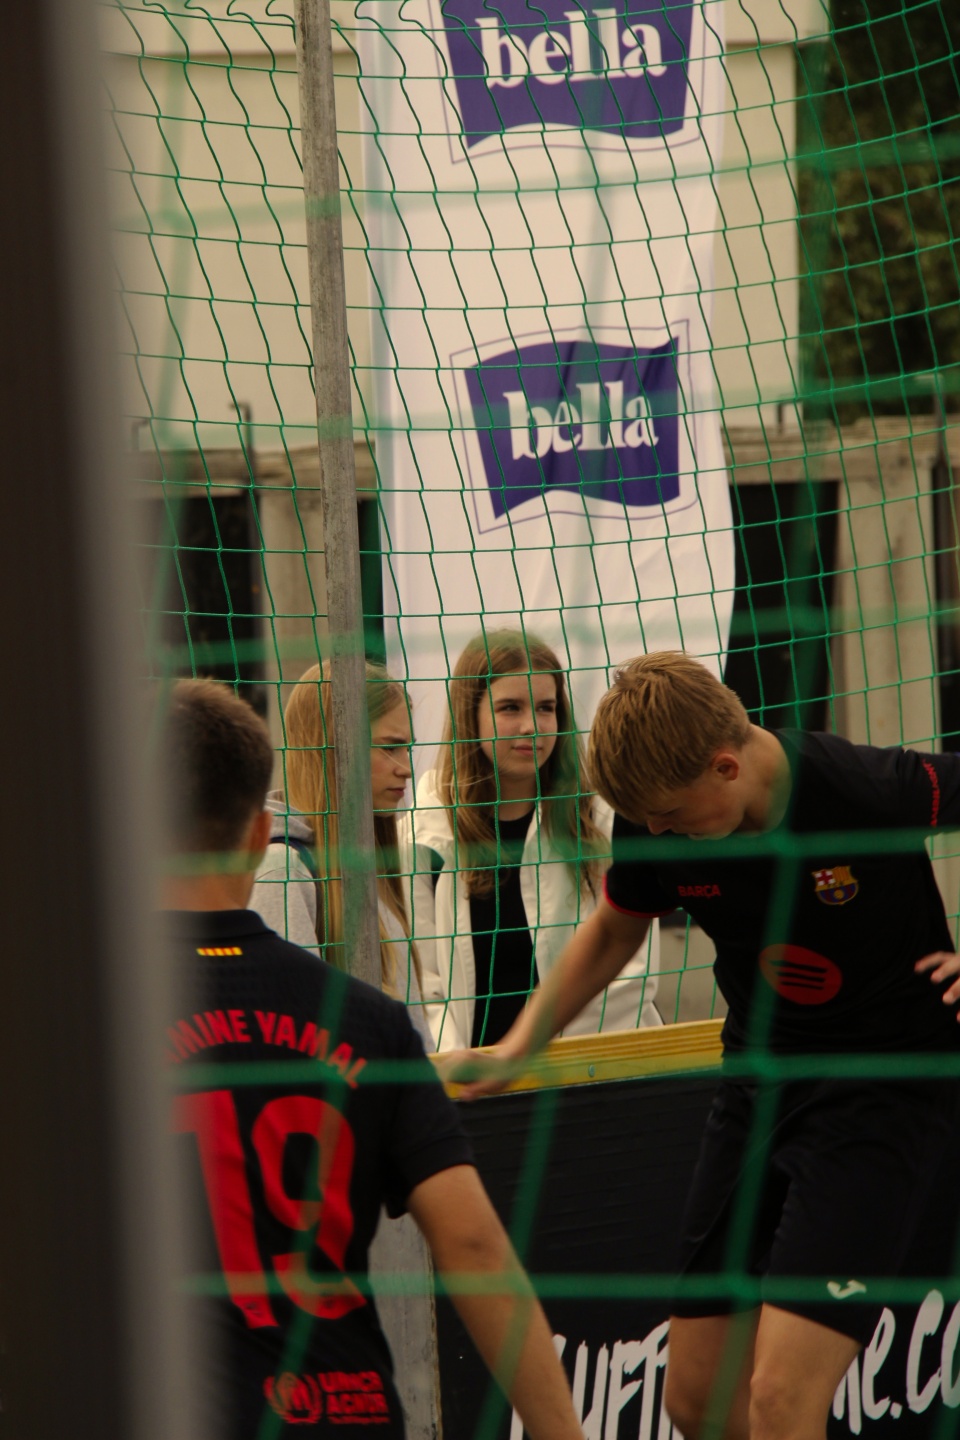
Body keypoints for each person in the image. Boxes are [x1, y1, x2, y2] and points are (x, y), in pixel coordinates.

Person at [454, 651, 960, 1440]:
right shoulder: (651, 811)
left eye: (668, 816)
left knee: (781, 1400)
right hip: (757, 1084)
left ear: (726, 767)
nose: (658, 833)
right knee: (696, 1399)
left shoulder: (864, 789)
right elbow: (616, 928)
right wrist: (516, 1047)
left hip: (883, 1093)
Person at [157, 677, 585, 1440]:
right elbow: (475, 1247)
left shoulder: (72, 1028)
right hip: (342, 1400)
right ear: (259, 833)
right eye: (386, 747)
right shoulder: (365, 1022)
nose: (401, 765)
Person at [405, 630, 661, 1051]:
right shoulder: (428, 825)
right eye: (510, 707)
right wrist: (460, 1067)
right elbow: (422, 982)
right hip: (471, 1073)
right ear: (470, 715)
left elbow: (630, 973)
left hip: (589, 1067)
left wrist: (540, 1059)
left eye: (546, 707)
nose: (532, 726)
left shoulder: (602, 816)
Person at [250, 660, 430, 1044]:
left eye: (408, 748)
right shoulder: (283, 870)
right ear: (334, 748)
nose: (407, 769)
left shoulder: (370, 858)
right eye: (390, 747)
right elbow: (293, 1036)